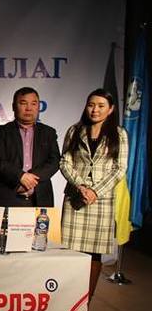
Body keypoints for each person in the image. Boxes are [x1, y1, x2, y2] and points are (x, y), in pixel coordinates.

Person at [60, 88, 128, 298]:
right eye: (91, 105)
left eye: (100, 106)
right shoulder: (74, 130)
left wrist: (95, 191)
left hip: (101, 201)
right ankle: (68, 300)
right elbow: (64, 162)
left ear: (111, 109)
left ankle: (86, 302)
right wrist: (81, 186)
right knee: (70, 251)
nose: (95, 110)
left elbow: (119, 169)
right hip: (76, 199)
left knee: (94, 253)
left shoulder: (119, 134)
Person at [0, 87, 60, 207]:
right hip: (7, 196)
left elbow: (55, 161)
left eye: (33, 104)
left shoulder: (48, 133)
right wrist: (20, 176)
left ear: (38, 107)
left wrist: (31, 179)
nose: (29, 108)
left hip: (40, 199)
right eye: (23, 103)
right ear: (13, 106)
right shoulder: (1, 132)